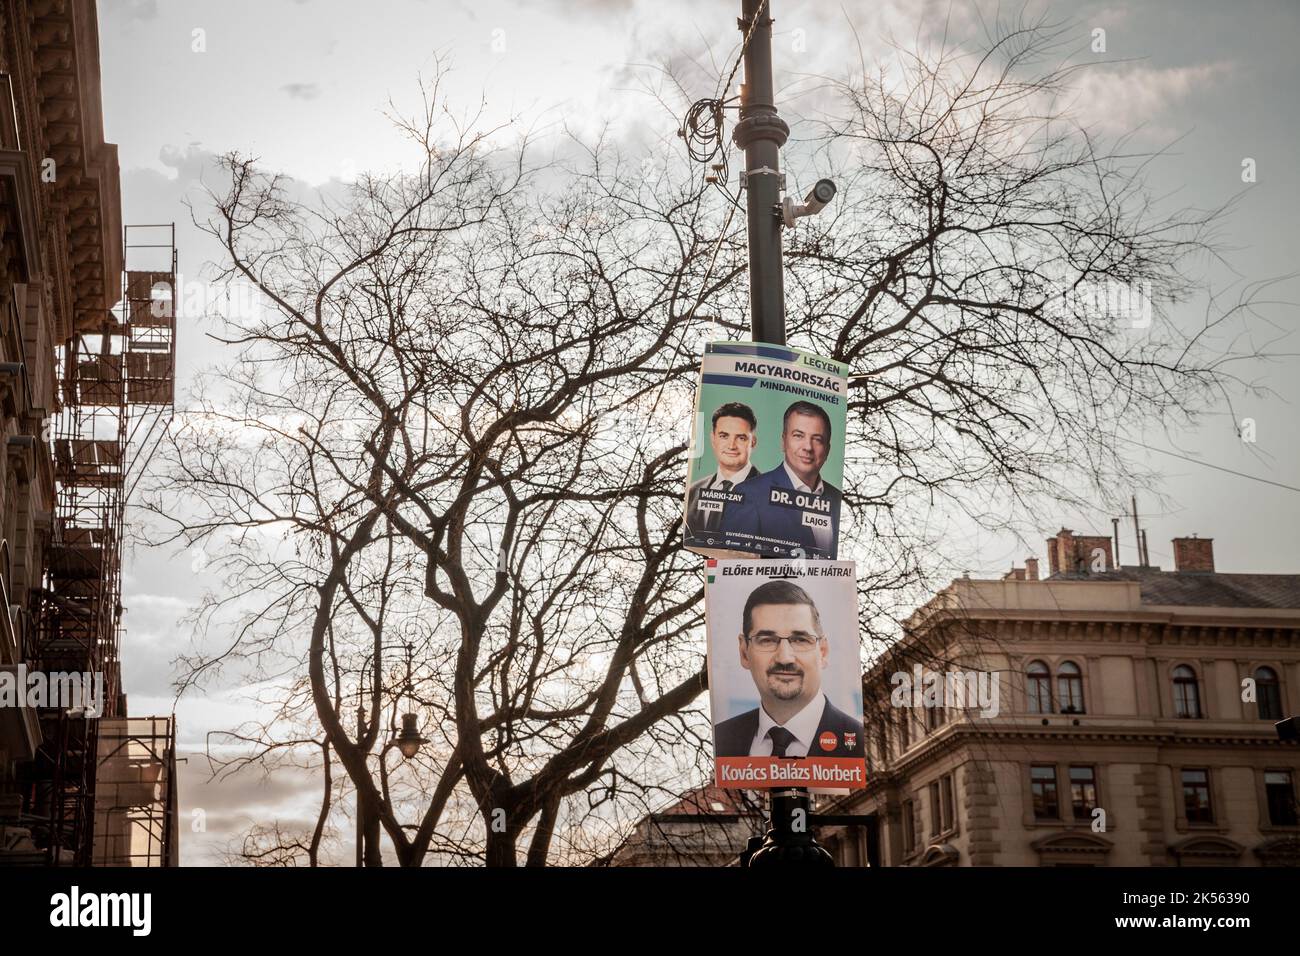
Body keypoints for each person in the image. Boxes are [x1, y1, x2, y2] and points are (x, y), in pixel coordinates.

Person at [713, 579, 862, 759]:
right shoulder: (722, 741)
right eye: (767, 640)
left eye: (800, 640)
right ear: (744, 652)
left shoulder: (858, 741)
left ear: (822, 652)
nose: (784, 658)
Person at [720, 400, 841, 557]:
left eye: (817, 439)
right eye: (798, 436)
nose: (808, 447)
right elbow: (730, 569)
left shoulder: (838, 500)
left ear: (827, 449)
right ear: (783, 441)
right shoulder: (749, 495)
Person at [685, 402, 758, 538]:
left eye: (741, 438)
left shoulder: (769, 493)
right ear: (713, 439)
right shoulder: (694, 491)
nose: (731, 446)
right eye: (724, 436)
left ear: (753, 442)